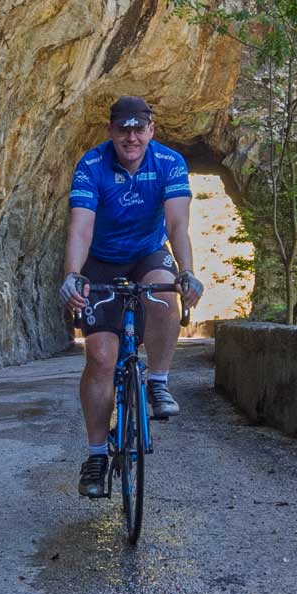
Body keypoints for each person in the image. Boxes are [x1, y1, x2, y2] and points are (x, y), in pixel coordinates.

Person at [59, 96, 204, 497]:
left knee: (163, 293)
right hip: (100, 260)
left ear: (151, 130)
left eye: (139, 128)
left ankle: (157, 381)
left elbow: (177, 225)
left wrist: (187, 272)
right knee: (102, 359)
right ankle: (95, 456)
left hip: (146, 252)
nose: (131, 136)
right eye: (123, 128)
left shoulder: (170, 163)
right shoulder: (91, 165)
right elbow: (80, 229)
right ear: (110, 131)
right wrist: (73, 275)